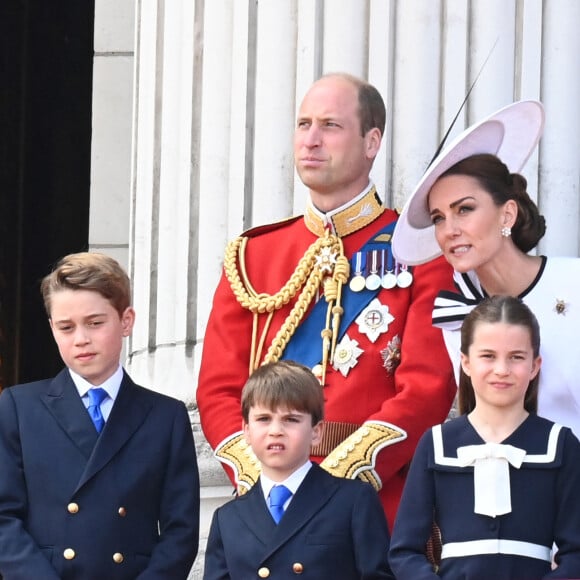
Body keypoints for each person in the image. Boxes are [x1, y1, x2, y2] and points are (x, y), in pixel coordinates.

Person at [196, 72, 457, 530]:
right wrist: (269, 479)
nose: (311, 140)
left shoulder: (421, 252)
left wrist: (330, 486)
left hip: (374, 508)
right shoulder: (253, 256)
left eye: (330, 126)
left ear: (371, 141)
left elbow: (427, 389)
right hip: (270, 509)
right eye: (303, 125)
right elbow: (218, 390)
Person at [0, 252, 200, 580]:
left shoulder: (166, 417)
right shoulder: (19, 408)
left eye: (95, 323)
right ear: (52, 329)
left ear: (126, 321)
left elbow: (181, 532)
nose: (81, 339)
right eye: (67, 327)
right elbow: (4, 520)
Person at [391, 100, 580, 439]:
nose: (449, 229)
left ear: (506, 215)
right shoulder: (456, 316)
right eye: (438, 218)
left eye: (464, 209)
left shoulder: (574, 282)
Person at [389, 295, 580, 579]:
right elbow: (404, 552)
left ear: (535, 365)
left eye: (516, 357)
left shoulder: (560, 444)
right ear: (465, 362)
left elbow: (576, 553)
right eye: (488, 356)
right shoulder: (437, 443)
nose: (501, 370)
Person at [203, 360, 393, 579]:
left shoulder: (353, 501)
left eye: (291, 419)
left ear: (316, 432)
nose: (276, 431)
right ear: (246, 430)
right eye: (264, 419)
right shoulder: (227, 519)